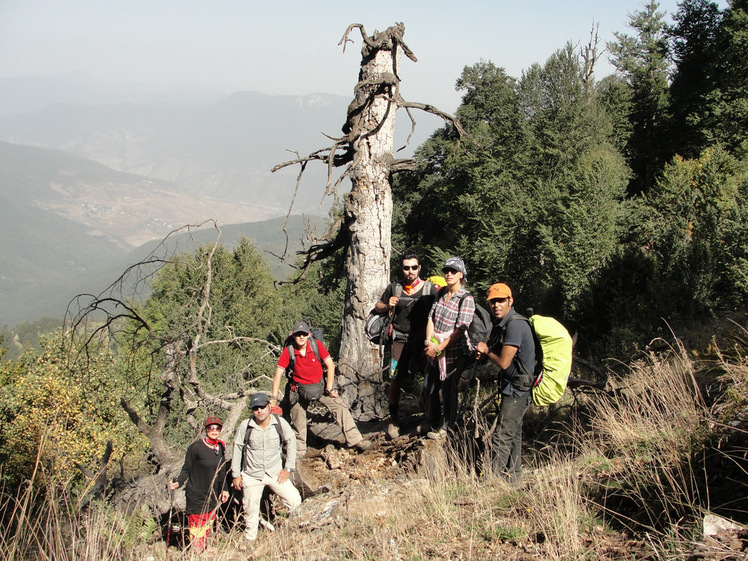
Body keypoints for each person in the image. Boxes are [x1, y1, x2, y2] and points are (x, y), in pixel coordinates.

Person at [271, 321, 372, 457]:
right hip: (298, 391)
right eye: (298, 334)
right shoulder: (289, 350)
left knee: (340, 408)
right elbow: (278, 374)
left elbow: (330, 365)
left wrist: (330, 388)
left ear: (308, 335)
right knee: (298, 422)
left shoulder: (316, 345)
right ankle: (298, 452)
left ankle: (356, 440)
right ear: (293, 335)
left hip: (320, 386)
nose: (301, 337)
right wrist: (273, 399)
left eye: (304, 334)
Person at [475, 283, 536, 485]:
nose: (496, 305)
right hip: (516, 387)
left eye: (501, 300)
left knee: (501, 436)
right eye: (493, 301)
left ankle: (491, 482)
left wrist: (486, 351)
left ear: (510, 301)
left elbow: (503, 362)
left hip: (518, 390)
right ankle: (514, 480)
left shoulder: (516, 325)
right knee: (513, 434)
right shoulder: (509, 324)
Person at [373, 250, 438, 439]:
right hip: (400, 338)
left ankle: (431, 416)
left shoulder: (429, 289)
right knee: (395, 377)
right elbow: (377, 305)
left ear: (419, 268)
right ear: (402, 268)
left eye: (413, 267)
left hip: (423, 340)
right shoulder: (394, 288)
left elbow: (437, 314)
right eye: (406, 267)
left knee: (429, 377)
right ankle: (393, 419)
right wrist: (387, 306)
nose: (410, 271)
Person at [231, 393, 302, 542]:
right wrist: (236, 474)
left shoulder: (280, 423)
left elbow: (291, 441)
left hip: (275, 473)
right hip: (252, 475)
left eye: (262, 407)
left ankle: (294, 531)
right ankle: (250, 538)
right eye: (255, 408)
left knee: (295, 500)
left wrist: (288, 468)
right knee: (250, 508)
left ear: (269, 406)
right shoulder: (246, 426)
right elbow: (237, 448)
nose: (259, 411)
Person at [423, 257, 475, 439]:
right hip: (435, 350)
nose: (449, 274)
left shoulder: (466, 298)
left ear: (461, 275)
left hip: (455, 352)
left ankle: (448, 427)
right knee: (429, 386)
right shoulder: (441, 293)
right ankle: (433, 421)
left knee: (448, 389)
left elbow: (461, 329)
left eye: (453, 271)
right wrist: (428, 341)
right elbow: (431, 318)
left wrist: (439, 348)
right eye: (446, 270)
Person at [168, 417, 230, 551]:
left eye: (217, 428)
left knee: (208, 523)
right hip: (196, 494)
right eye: (211, 428)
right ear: (206, 430)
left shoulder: (220, 447)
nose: (214, 431)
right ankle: (197, 551)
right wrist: (178, 482)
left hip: (212, 494)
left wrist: (224, 489)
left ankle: (203, 549)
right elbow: (186, 468)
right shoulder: (195, 447)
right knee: (196, 526)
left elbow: (222, 471)